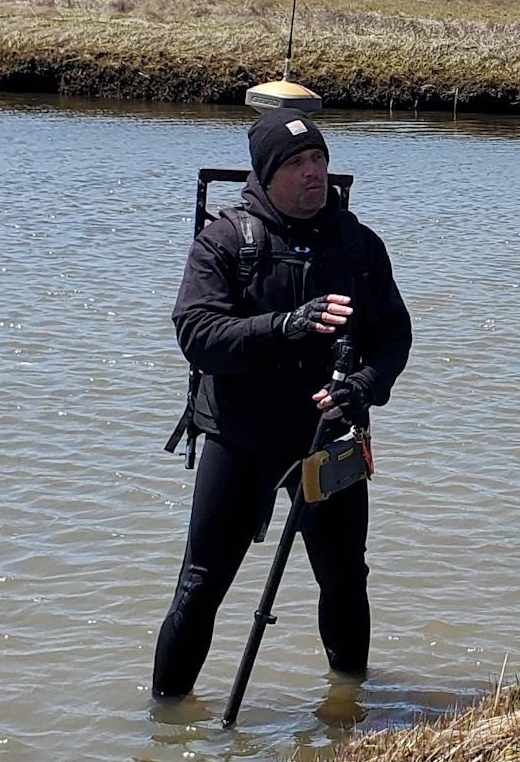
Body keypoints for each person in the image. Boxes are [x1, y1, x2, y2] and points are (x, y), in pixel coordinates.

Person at [151, 110, 412, 701]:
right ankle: (163, 731)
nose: (312, 174)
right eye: (296, 164)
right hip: (240, 439)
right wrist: (284, 327)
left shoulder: (360, 245)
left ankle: (348, 710)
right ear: (265, 176)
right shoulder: (223, 242)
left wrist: (364, 385)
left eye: (318, 160)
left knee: (346, 579)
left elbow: (394, 335)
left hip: (329, 440)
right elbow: (197, 334)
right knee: (199, 586)